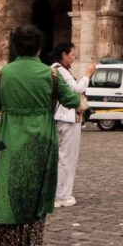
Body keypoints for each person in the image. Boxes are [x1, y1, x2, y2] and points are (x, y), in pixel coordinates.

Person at [0, 26, 76, 246]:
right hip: (40, 137)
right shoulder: (50, 74)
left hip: (9, 136)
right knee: (33, 191)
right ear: (39, 47)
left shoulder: (4, 73)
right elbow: (73, 100)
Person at [51, 41, 83, 207]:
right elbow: (75, 90)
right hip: (67, 117)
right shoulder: (60, 71)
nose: (74, 58)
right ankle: (62, 195)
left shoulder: (56, 69)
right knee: (67, 158)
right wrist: (88, 75)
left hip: (61, 117)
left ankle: (58, 193)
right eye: (72, 54)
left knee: (60, 157)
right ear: (63, 55)